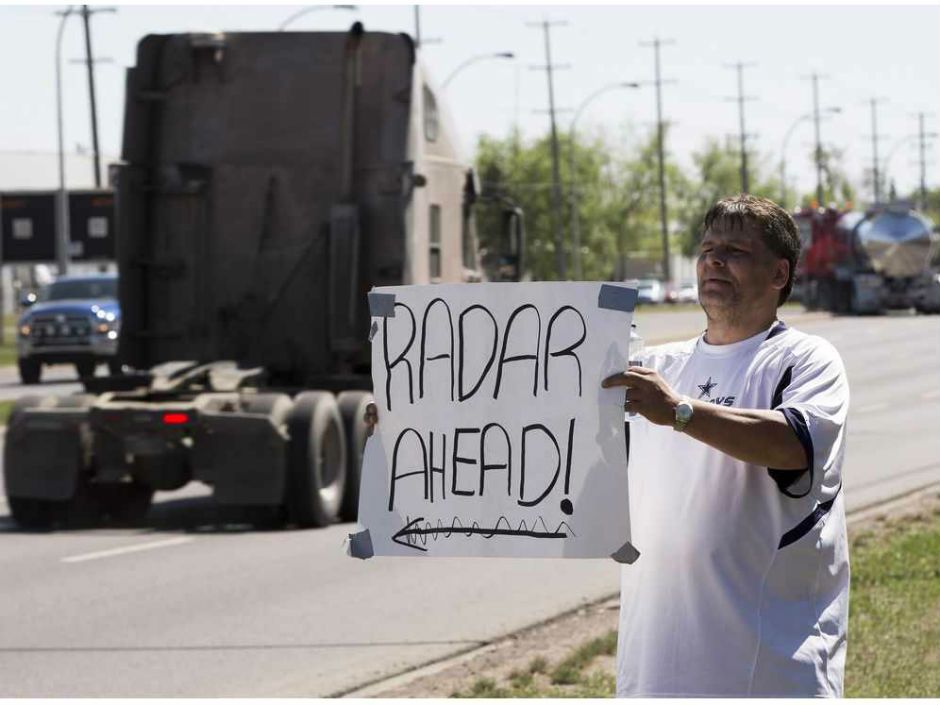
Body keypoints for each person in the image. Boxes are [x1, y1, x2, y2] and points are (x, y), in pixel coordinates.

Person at [601, 194, 849, 697]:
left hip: (768, 673)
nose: (713, 259)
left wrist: (681, 413)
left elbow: (792, 444)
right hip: (653, 672)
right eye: (708, 247)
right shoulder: (654, 367)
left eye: (735, 250)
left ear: (779, 274)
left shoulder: (803, 360)